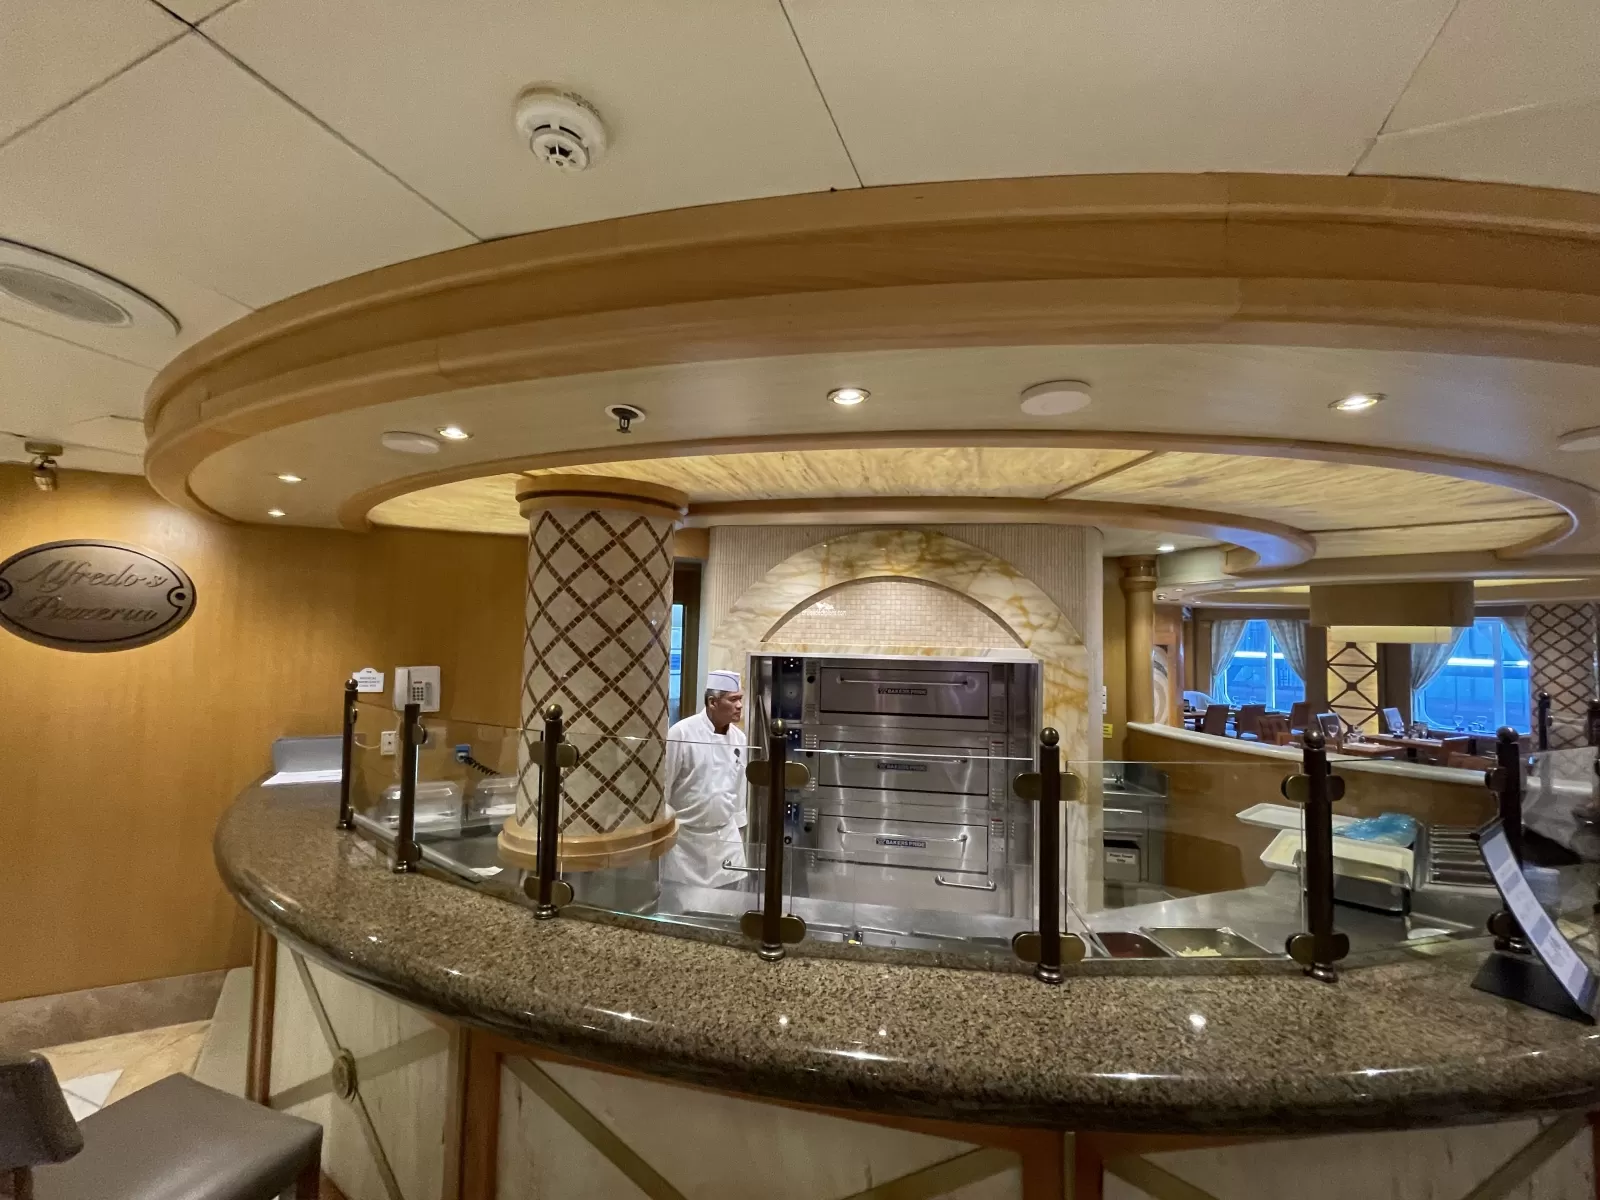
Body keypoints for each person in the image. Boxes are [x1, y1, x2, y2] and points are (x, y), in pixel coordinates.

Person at [661, 669, 749, 888]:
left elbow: (739, 791)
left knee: (728, 904)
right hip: (686, 845)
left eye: (740, 699)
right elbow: (664, 787)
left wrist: (740, 833)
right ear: (712, 702)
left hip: (726, 842)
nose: (740, 705)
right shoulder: (681, 733)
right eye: (733, 700)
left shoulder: (740, 738)